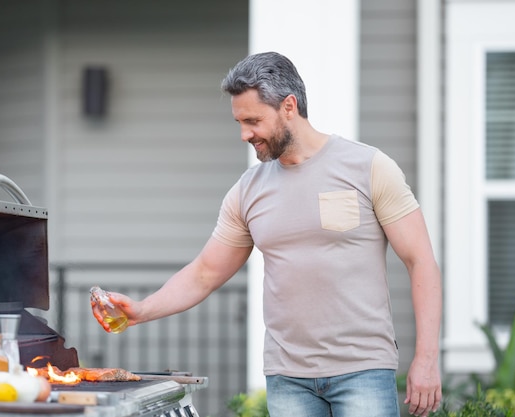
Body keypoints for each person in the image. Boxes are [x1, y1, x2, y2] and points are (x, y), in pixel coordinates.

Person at [91, 51, 442, 417]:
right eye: (240, 122)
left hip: (363, 371)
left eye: (253, 121)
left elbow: (421, 262)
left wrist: (427, 358)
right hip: (288, 379)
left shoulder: (368, 167)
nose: (245, 134)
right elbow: (205, 273)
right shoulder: (248, 191)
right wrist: (141, 311)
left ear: (288, 106)